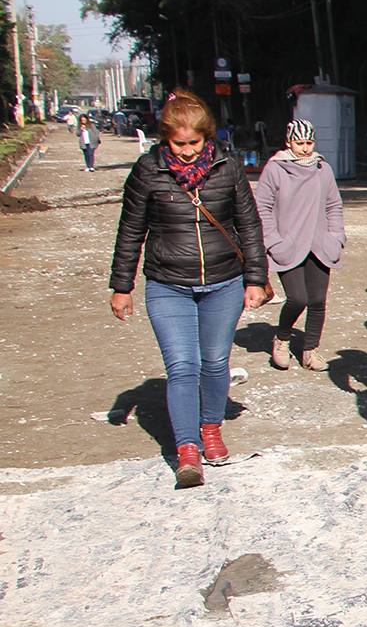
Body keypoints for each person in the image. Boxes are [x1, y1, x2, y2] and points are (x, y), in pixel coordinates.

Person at [108, 90, 271, 487]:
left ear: (206, 136)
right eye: (177, 143)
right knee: (182, 366)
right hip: (168, 284)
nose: (185, 151)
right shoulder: (148, 171)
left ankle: (211, 429)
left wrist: (255, 278)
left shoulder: (228, 167)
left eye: (193, 143)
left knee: (214, 362)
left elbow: (249, 225)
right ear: (165, 138)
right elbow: (130, 231)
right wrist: (121, 286)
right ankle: (187, 450)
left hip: (224, 281)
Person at [256, 118, 346, 373]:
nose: (305, 148)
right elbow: (262, 207)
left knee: (317, 300)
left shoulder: (322, 169)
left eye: (309, 142)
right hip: (288, 244)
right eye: (299, 143)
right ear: (288, 143)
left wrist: (336, 236)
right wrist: (273, 240)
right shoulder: (275, 169)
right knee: (297, 298)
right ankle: (282, 338)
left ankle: (310, 349)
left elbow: (333, 204)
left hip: (319, 243)